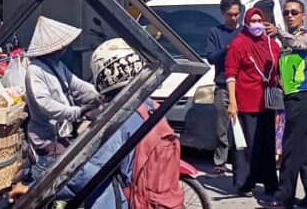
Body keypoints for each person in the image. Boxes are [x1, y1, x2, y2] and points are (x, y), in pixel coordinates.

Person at [10, 38, 182, 208]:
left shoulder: (121, 119)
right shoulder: (148, 105)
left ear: (104, 73)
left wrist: (34, 189)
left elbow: (86, 174)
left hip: (117, 201)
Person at [24, 16, 103, 177]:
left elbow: (77, 84)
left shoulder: (58, 65)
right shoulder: (35, 71)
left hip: (63, 131)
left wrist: (99, 95)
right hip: (45, 136)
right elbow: (46, 105)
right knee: (71, 171)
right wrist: (79, 112)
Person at [270, 0, 307, 209]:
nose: (289, 15)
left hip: (304, 97)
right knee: (306, 150)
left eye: (294, 12)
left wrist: (278, 32)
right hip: (293, 97)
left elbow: (299, 45)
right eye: (286, 12)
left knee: (290, 149)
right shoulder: (285, 44)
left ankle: (284, 198)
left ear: (303, 16)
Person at [225, 7, 280, 198]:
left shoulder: (272, 44)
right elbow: (230, 74)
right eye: (253, 21)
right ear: (247, 22)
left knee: (267, 145)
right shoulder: (239, 43)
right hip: (246, 102)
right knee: (247, 145)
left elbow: (278, 70)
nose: (257, 24)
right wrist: (232, 102)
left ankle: (270, 183)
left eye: (259, 20)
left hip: (268, 101)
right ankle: (244, 183)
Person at [205, 0, 243, 176]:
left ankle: (240, 163)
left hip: (242, 87)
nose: (234, 18)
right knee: (222, 127)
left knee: (242, 127)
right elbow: (211, 57)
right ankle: (220, 162)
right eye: (230, 15)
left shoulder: (245, 31)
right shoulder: (215, 32)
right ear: (223, 14)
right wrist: (228, 49)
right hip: (222, 85)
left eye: (237, 14)